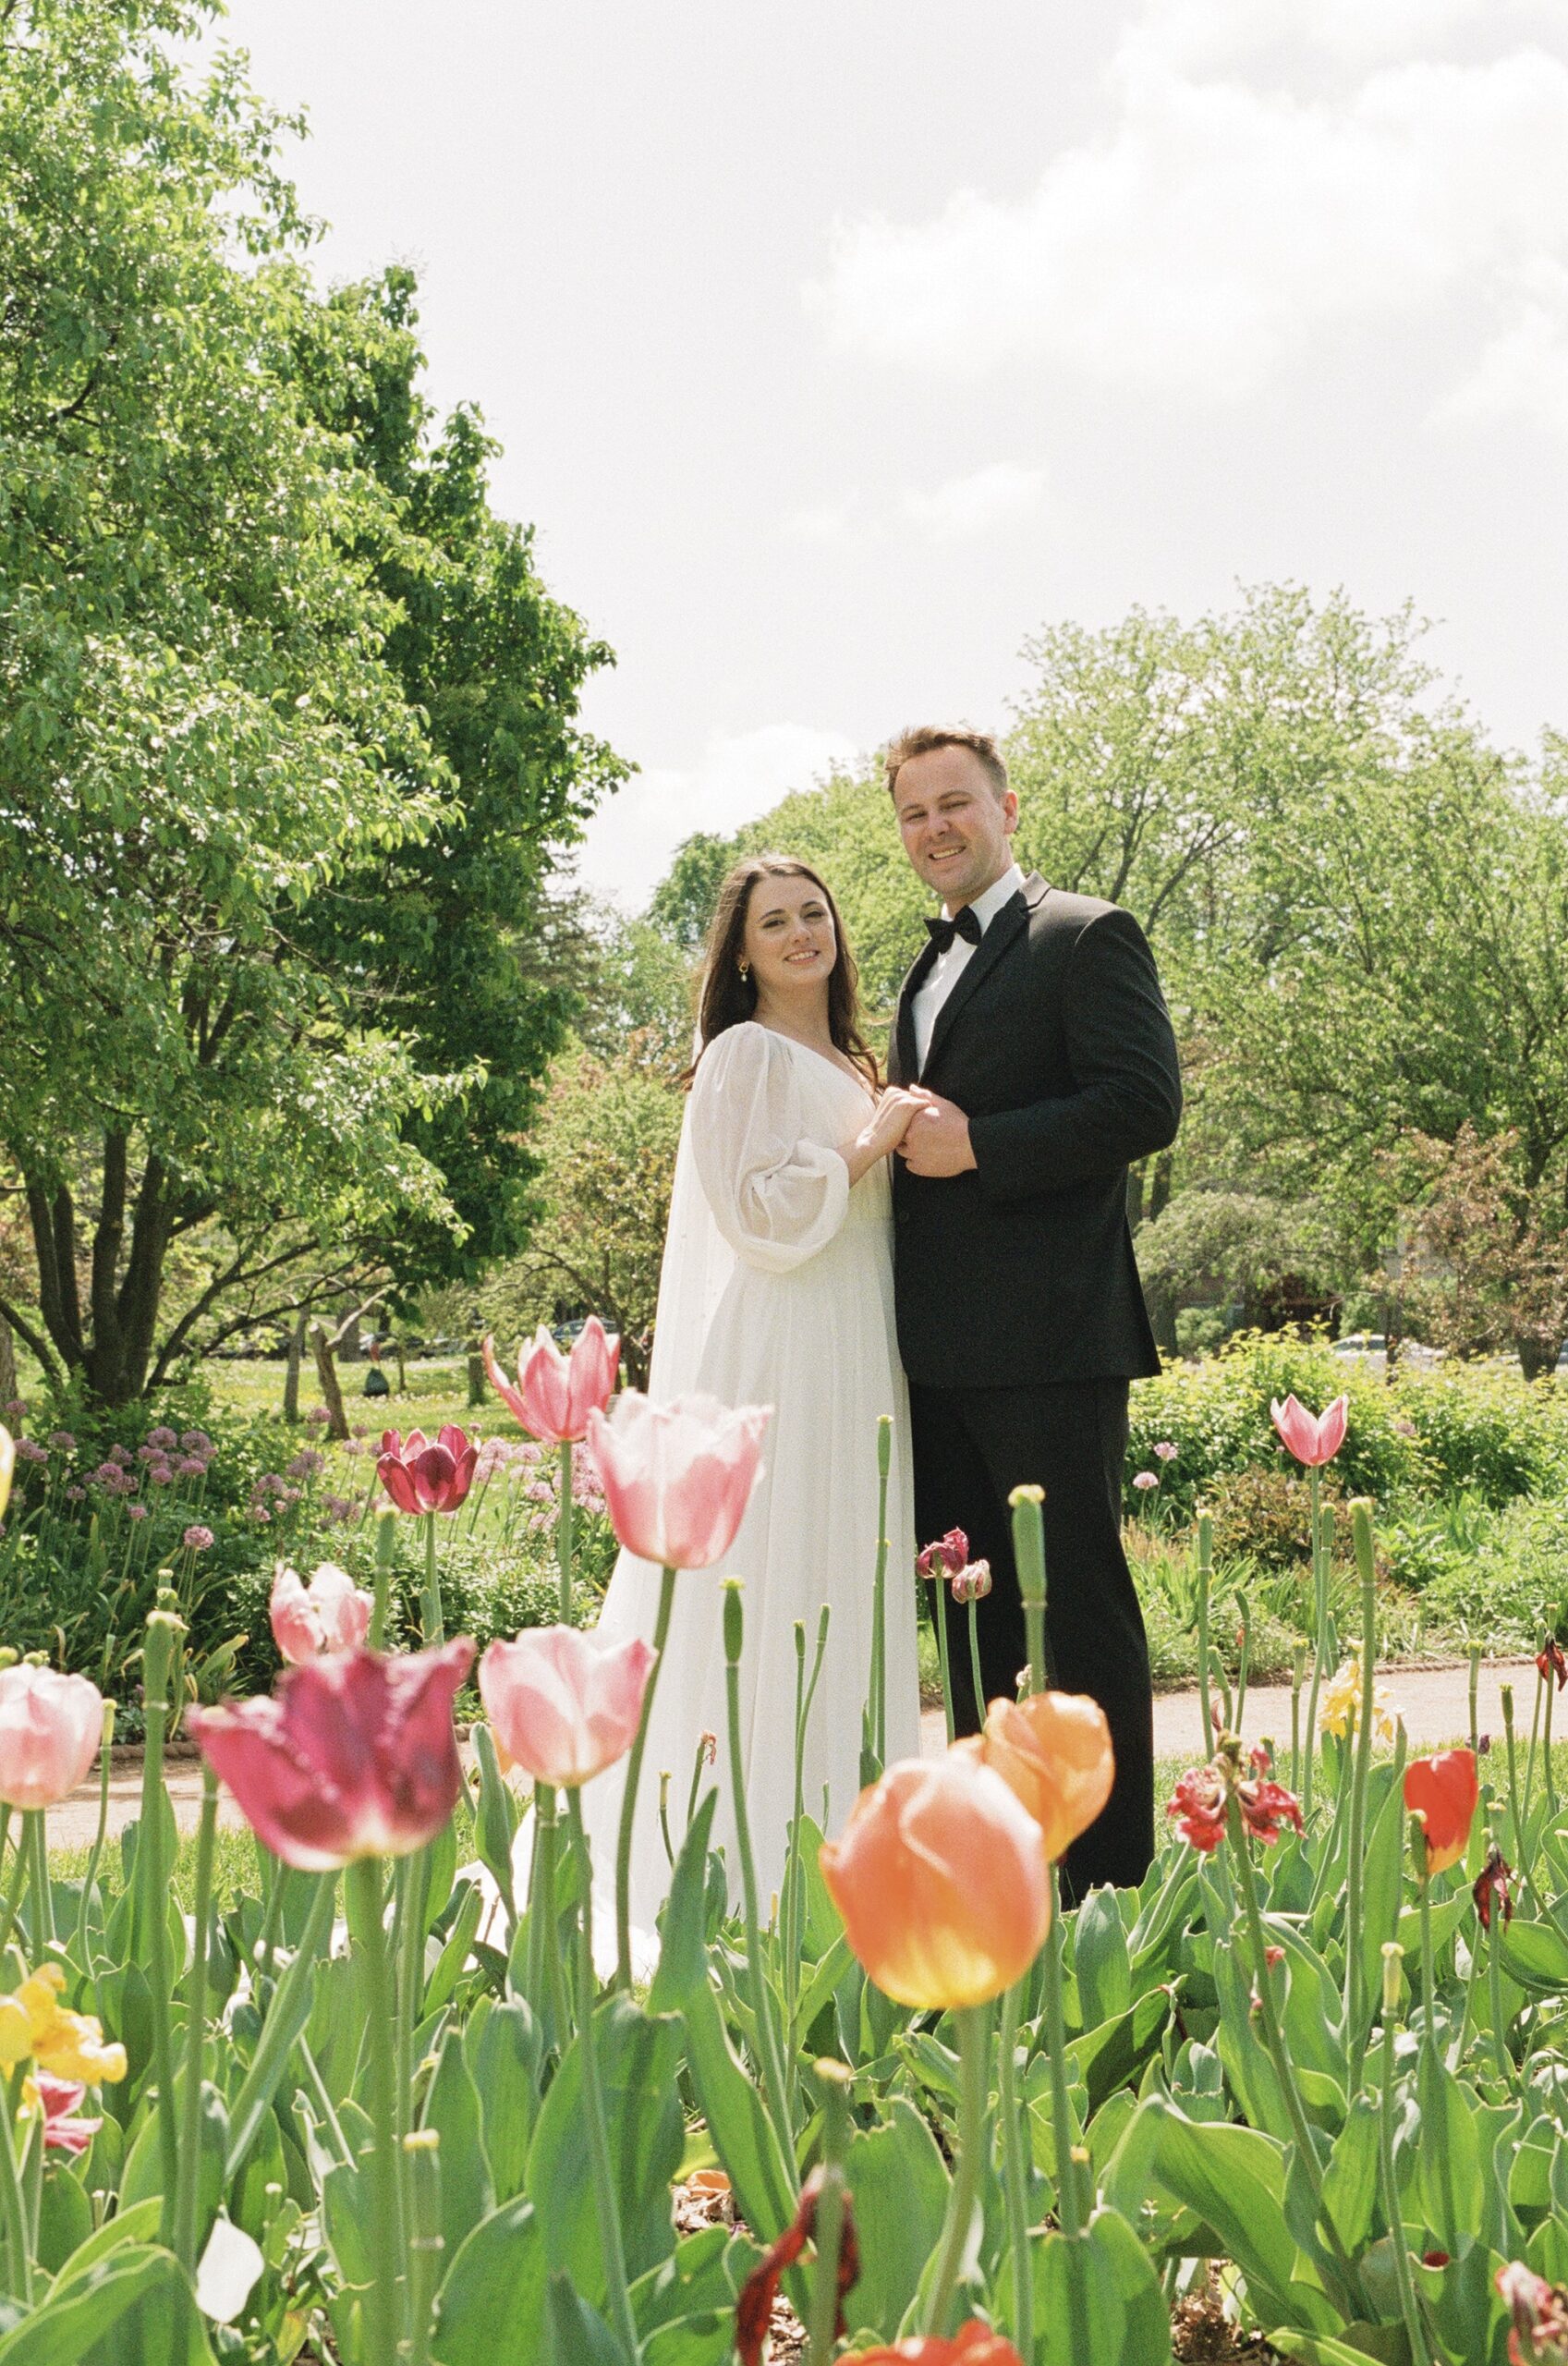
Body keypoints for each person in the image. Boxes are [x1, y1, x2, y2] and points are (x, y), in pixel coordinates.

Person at [581, 854, 923, 1939]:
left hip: (860, 1343)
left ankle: (843, 1852)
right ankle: (733, 1860)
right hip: (782, 1348)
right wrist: (869, 1144)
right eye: (772, 921)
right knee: (771, 1581)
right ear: (738, 950)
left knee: (842, 1574)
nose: (798, 934)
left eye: (812, 914)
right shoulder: (741, 1056)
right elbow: (757, 1217)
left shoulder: (853, 1057)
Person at [883, 725, 1183, 1895]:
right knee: (972, 1631)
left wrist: (981, 1147)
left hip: (1053, 1349)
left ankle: (1111, 1889)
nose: (935, 828)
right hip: (938, 1358)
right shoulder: (920, 970)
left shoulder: (1084, 934)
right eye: (913, 814)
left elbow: (1140, 1103)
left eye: (954, 804)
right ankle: (998, 1879)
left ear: (1008, 808)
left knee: (1078, 1622)